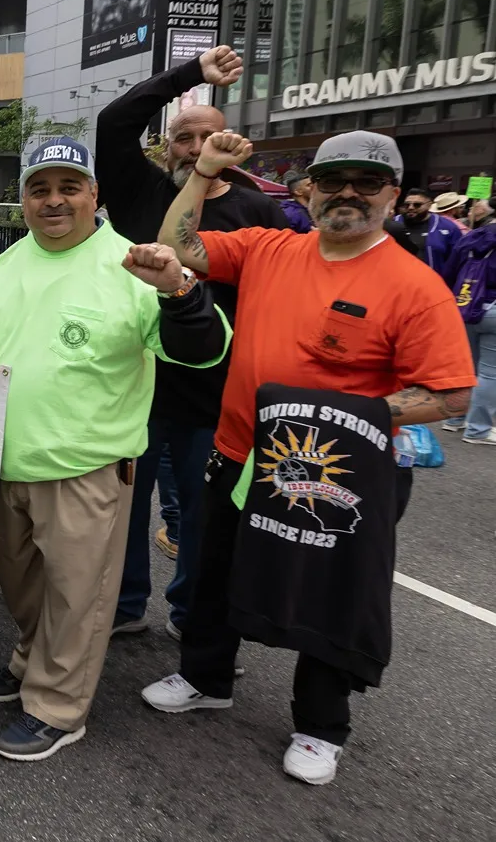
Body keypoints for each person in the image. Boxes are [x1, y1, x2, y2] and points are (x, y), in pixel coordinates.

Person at [147, 130, 475, 786]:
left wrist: (355, 417)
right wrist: (203, 170)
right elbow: (181, 248)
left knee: (330, 597)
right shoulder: (270, 248)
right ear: (309, 189)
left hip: (337, 477)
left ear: (392, 194)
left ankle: (321, 727)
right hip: (241, 456)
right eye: (333, 180)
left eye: (367, 181)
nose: (348, 193)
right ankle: (206, 675)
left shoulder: (415, 285)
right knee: (213, 570)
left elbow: (451, 392)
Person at [0, 137, 230, 762]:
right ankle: (32, 659)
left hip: (88, 466)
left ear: (94, 195)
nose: (53, 201)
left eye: (68, 187)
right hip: (5, 464)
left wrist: (179, 292)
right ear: (22, 197)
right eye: (39, 189)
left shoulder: (135, 265)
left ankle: (58, 706)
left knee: (78, 597)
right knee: (23, 589)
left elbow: (204, 350)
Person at [95, 45, 289, 642]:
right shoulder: (138, 189)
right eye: (184, 138)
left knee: (205, 514)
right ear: (168, 145)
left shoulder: (259, 212)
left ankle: (191, 614)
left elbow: (274, 300)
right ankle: (125, 604)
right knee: (122, 509)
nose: (196, 149)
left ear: (234, 150)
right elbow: (113, 122)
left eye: (210, 139)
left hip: (215, 393)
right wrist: (190, 77)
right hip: (135, 383)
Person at [442, 197, 496, 446]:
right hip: (493, 307)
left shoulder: (473, 236)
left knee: (468, 369)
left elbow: (450, 271)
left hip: (464, 305)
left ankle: (454, 419)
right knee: (490, 372)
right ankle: (478, 430)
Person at [396, 187, 462, 269]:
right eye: (407, 205)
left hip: (433, 279)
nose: (411, 207)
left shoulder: (448, 227)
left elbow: (457, 260)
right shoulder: (392, 224)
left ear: (429, 205)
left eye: (417, 205)